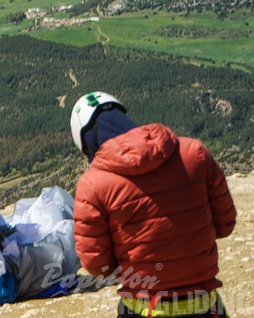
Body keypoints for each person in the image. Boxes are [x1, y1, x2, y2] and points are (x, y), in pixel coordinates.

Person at [69, 91, 236, 318]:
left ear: (88, 141)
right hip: (205, 305)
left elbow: (96, 263)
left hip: (143, 308)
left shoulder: (92, 184)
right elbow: (225, 224)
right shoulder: (194, 153)